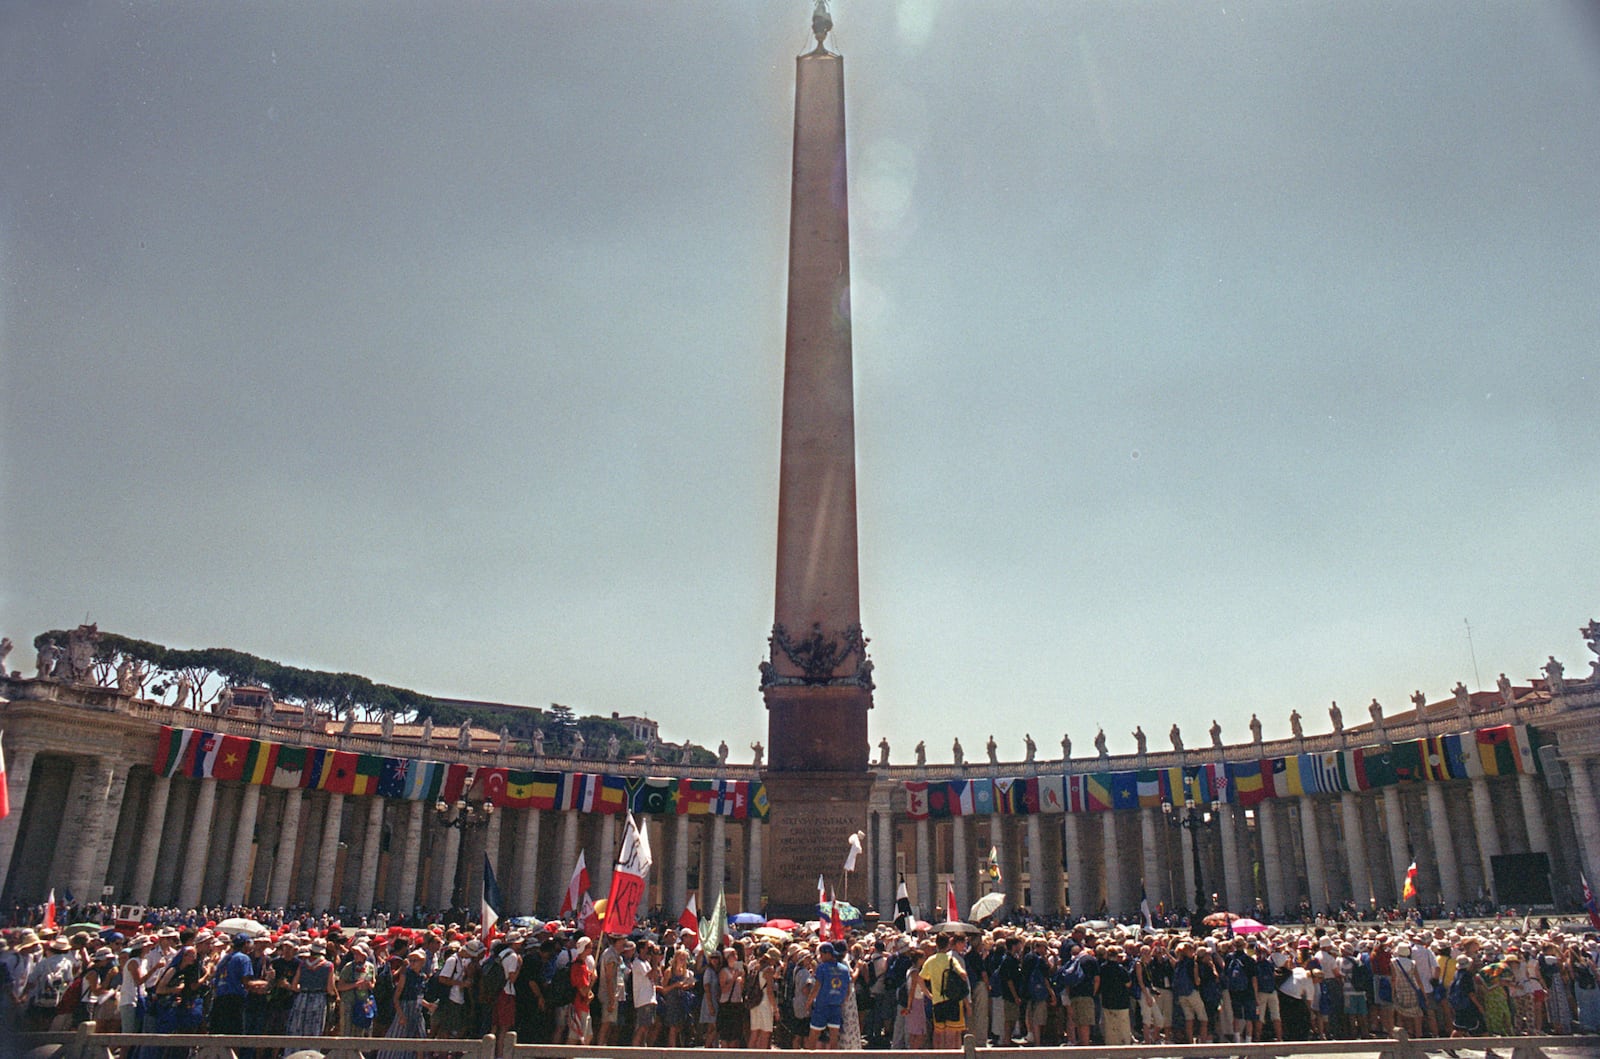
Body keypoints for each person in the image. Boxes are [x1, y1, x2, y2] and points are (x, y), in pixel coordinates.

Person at [920, 933, 970, 1050]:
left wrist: (928, 994)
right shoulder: (951, 959)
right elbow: (963, 974)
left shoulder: (930, 960)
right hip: (952, 1001)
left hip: (937, 1001)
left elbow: (920, 978)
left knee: (938, 1034)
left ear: (936, 944)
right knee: (951, 1035)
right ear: (948, 944)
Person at [807, 941, 856, 1049]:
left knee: (813, 1036)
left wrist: (809, 1002)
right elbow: (848, 989)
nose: (821, 957)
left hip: (821, 1006)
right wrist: (842, 1002)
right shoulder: (844, 969)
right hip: (836, 1007)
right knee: (834, 1038)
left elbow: (816, 987)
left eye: (822, 955)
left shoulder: (822, 968)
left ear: (828, 954)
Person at [285, 940, 336, 1039]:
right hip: (318, 999)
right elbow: (330, 988)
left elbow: (294, 986)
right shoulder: (328, 966)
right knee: (314, 1030)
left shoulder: (303, 964)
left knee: (297, 1027)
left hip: (302, 998)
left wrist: (303, 988)